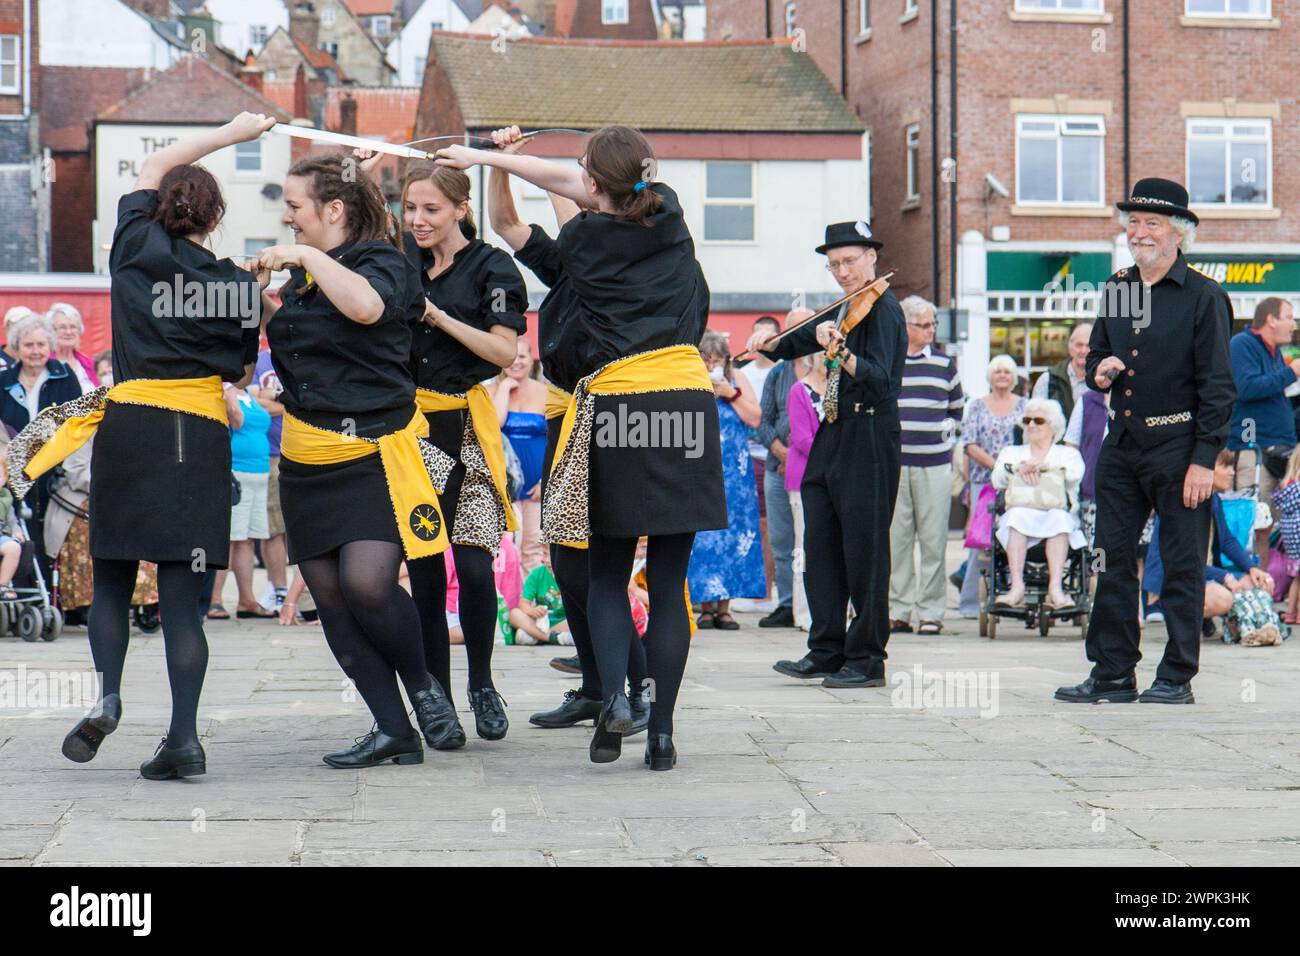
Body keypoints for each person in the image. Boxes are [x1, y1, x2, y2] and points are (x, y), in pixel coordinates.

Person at [437, 123, 725, 770]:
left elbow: (567, 189)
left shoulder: (585, 239)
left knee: (606, 573)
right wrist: (497, 158)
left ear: (595, 186)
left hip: (621, 407)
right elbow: (584, 182)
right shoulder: (668, 213)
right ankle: (662, 734)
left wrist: (486, 156)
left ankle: (617, 696)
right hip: (684, 403)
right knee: (671, 580)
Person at [7, 114, 272, 780]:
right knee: (184, 605)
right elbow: (239, 372)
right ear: (214, 220)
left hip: (130, 424)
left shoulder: (131, 245)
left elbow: (151, 170)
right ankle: (182, 738)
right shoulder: (236, 285)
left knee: (112, 584)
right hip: (197, 432)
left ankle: (109, 695)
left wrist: (232, 132)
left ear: (155, 210)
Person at [258, 150, 461, 767]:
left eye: (295, 206)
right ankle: (392, 728)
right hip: (305, 461)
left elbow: (367, 308)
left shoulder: (383, 262)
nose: (288, 219)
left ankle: (424, 685)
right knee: (333, 603)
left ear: (334, 210)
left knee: (367, 584)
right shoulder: (301, 282)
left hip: (373, 454)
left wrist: (306, 257)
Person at [482, 133, 651, 735]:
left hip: (600, 412)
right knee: (570, 561)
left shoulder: (622, 264)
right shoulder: (571, 261)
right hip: (563, 412)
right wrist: (500, 163)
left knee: (597, 559)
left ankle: (632, 687)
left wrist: (511, 158)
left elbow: (567, 199)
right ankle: (599, 684)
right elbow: (505, 221)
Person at [1056, 178, 1235, 706]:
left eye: (1151, 223)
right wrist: (1101, 373)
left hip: (1181, 450)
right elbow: (1095, 361)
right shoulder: (1117, 288)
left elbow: (1219, 388)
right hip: (1123, 446)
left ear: (1178, 233)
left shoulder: (1205, 296)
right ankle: (1111, 672)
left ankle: (1176, 675)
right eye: (1133, 222)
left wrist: (1205, 460)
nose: (1139, 232)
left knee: (1181, 565)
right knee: (1110, 559)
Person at [393, 158, 527, 745]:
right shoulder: (400, 259)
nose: (417, 220)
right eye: (410, 208)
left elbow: (502, 353)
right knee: (423, 568)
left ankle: (481, 683)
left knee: (474, 566)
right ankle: (436, 700)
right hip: (411, 432)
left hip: (466, 427)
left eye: (431, 210)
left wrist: (438, 316)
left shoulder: (492, 267)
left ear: (460, 210)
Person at [753, 219, 906, 688]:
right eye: (834, 264)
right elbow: (800, 339)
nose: (842, 271)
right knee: (819, 544)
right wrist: (769, 345)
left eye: (849, 261)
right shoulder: (844, 308)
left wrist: (841, 353)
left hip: (870, 434)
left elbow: (883, 381)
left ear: (871, 258)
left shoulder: (885, 310)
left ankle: (866, 658)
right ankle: (825, 647)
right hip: (833, 432)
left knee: (864, 550)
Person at [888, 295, 963, 635]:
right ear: (906, 327)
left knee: (934, 541)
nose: (932, 330)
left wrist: (945, 437)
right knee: (897, 540)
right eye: (925, 325)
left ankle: (931, 611)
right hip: (896, 464)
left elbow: (956, 411)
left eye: (934, 324)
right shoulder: (890, 362)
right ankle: (899, 609)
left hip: (935, 464)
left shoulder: (946, 365)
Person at [688, 330, 766, 629]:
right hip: (700, 467)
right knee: (704, 536)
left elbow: (755, 417)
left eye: (717, 360)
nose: (711, 366)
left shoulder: (738, 379)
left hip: (736, 471)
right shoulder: (692, 379)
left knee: (735, 536)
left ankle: (725, 607)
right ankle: (704, 605)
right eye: (706, 360)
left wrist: (728, 394)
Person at [1, 313, 85, 587]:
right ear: (17, 347)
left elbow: (76, 421)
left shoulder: (63, 376)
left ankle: (52, 595)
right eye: (29, 345)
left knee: (51, 530)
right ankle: (23, 590)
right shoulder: (4, 381)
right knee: (21, 526)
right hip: (12, 465)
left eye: (40, 344)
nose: (35, 351)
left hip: (55, 467)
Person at [1146, 450, 1273, 621]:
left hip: (1204, 572)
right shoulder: (1184, 500)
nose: (1232, 472)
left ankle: (1204, 618)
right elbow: (1184, 559)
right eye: (1225, 466)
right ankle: (1171, 611)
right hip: (1176, 576)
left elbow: (1227, 541)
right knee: (1223, 599)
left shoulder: (1214, 499)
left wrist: (1252, 568)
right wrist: (1224, 577)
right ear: (1205, 468)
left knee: (1254, 583)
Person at [990, 398, 1085, 609]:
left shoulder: (1067, 454)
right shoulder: (1012, 453)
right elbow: (996, 478)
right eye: (1027, 420)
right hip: (1021, 512)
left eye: (1038, 420)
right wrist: (1018, 468)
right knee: (1015, 516)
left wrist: (1046, 467)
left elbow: (1075, 475)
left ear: (1053, 426)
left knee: (1059, 519)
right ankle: (1016, 587)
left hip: (1055, 511)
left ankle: (1056, 589)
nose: (1031, 425)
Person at [1226, 296, 1298, 565]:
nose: (1293, 324)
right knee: (1251, 525)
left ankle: (1265, 588)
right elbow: (1246, 388)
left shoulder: (1274, 351)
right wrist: (1291, 373)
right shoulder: (1242, 345)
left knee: (1268, 527)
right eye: (1289, 317)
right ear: (1271, 319)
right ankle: (1246, 590)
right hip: (1252, 450)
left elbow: (1273, 394)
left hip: (1280, 452)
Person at [958, 355, 1026, 615]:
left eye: (1007, 371)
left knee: (1015, 536)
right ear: (989, 376)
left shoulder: (1025, 406)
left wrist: (1012, 467)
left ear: (1014, 377)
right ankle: (971, 604)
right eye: (997, 371)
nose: (1002, 375)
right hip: (983, 482)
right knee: (982, 542)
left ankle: (1013, 595)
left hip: (1018, 483)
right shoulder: (977, 406)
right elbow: (969, 443)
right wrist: (997, 465)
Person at [207, 382, 277, 620]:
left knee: (247, 539)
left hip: (259, 471)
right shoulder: (222, 390)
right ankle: (214, 599)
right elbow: (236, 421)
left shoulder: (248, 393)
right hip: (237, 470)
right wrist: (228, 396)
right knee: (229, 538)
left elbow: (275, 405)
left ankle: (246, 600)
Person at [754, 317, 800, 628]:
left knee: (808, 544)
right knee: (781, 541)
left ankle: (809, 603)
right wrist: (779, 450)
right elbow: (763, 420)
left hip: (807, 467)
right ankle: (785, 603)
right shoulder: (778, 372)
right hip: (776, 467)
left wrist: (795, 455)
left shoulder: (823, 369)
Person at [493, 338, 548, 572]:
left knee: (534, 547)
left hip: (536, 484)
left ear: (531, 359)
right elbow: (493, 424)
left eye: (522, 356)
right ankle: (505, 605)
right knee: (504, 548)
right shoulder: (489, 391)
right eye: (511, 356)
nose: (516, 362)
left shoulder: (546, 393)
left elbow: (556, 439)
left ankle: (531, 604)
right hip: (503, 485)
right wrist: (505, 388)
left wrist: (546, 480)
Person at [739, 315, 780, 608]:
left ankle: (766, 591)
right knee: (745, 525)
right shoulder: (744, 372)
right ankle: (747, 589)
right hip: (746, 456)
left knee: (769, 527)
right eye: (757, 335)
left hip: (773, 456)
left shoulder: (781, 371)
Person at [786, 352, 827, 629]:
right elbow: (802, 438)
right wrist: (835, 458)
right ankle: (804, 613)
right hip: (805, 479)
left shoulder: (840, 388)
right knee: (804, 547)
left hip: (835, 480)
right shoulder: (799, 390)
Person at [249, 346, 289, 612]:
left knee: (297, 526)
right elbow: (251, 399)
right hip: (271, 454)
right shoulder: (260, 360)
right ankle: (279, 589)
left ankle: (304, 592)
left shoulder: (301, 355)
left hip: (302, 451)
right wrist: (287, 401)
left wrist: (270, 399)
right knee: (273, 526)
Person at [506, 548, 569, 644]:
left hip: (563, 622)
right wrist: (533, 611)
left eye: (551, 555)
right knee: (514, 613)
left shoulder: (570, 574)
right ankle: (551, 638)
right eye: (544, 554)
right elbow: (523, 604)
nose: (547, 560)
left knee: (578, 622)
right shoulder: (537, 573)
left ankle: (536, 636)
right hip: (541, 622)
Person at [1032, 322, 1092, 422]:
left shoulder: (1103, 380)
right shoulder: (1048, 379)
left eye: (1088, 346)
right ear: (1070, 348)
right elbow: (1035, 416)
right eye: (1079, 345)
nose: (1083, 351)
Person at [47, 303, 101, 393]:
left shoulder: (89, 364)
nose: (68, 332)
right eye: (62, 327)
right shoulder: (45, 363)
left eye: (73, 327)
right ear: (51, 331)